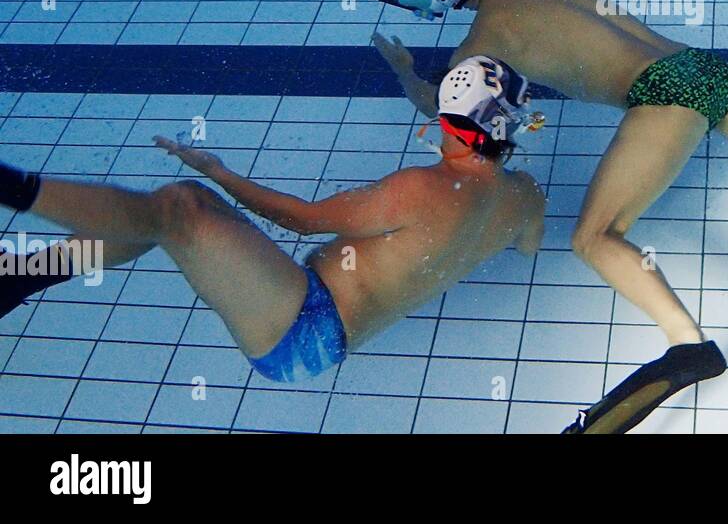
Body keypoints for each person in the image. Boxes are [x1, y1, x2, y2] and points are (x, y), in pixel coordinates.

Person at [371, 0, 728, 432]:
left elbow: (448, 106)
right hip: (699, 65)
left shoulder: (481, 48)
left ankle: (688, 346)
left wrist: (405, 71)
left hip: (662, 95)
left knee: (592, 238)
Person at [0, 57, 545, 383]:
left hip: (301, 330)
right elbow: (526, 246)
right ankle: (27, 274)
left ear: (451, 125)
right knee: (174, 208)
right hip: (321, 328)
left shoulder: (418, 188)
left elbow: (303, 221)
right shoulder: (524, 199)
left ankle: (14, 188)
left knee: (178, 209)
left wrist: (219, 170)